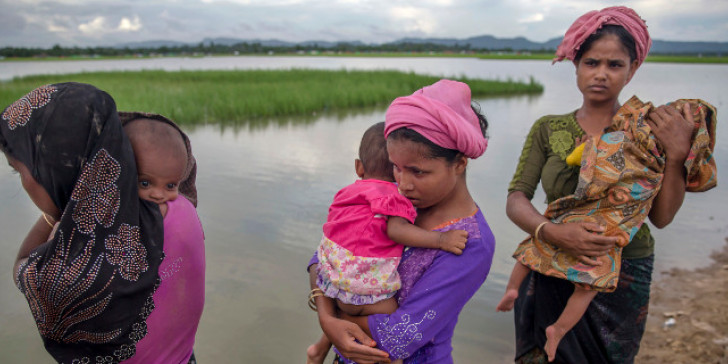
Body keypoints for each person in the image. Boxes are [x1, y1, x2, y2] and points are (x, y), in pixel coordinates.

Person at [504, 7, 715, 363]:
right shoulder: (549, 128)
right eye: (591, 62)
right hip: (548, 261)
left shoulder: (649, 136)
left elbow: (661, 219)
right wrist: (553, 232)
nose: (601, 74)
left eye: (615, 65)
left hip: (624, 268)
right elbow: (516, 198)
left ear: (633, 69)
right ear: (576, 65)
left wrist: (677, 156)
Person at [0, 82, 202, 363]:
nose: (22, 183)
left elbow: (23, 268)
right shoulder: (180, 205)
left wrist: (55, 213)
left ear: (54, 173)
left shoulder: (74, 263)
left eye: (18, 171)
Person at [307, 79, 496, 364]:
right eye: (396, 167)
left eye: (418, 172)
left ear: (459, 163)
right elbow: (322, 258)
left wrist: (333, 321)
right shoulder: (392, 201)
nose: (403, 184)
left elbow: (398, 337)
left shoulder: (471, 243)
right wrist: (326, 319)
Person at [120, 112, 206, 363]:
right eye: (145, 183)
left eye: (170, 186)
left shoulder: (119, 226)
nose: (158, 195)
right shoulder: (186, 210)